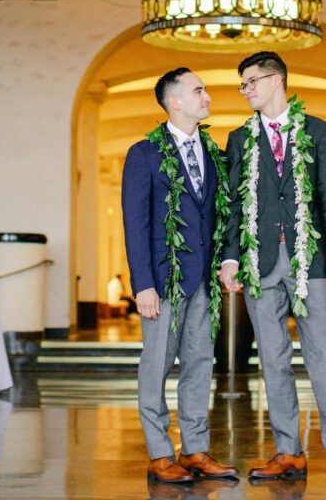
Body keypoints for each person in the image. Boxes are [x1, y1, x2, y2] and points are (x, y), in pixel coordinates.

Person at [219, 50, 326, 486]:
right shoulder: (239, 138)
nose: (245, 90)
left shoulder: (319, 131)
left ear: (276, 80)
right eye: (242, 84)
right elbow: (234, 204)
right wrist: (231, 256)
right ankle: (288, 452)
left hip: (311, 261)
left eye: (250, 81)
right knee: (273, 358)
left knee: (323, 355)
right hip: (259, 262)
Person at [122, 67, 238, 484]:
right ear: (174, 101)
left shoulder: (214, 153)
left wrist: (226, 261)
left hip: (204, 281)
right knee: (156, 366)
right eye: (199, 90)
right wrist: (143, 285)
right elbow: (135, 223)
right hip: (163, 280)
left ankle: (194, 450)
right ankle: (159, 454)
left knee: (199, 365)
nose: (207, 97)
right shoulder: (144, 154)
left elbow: (219, 215)